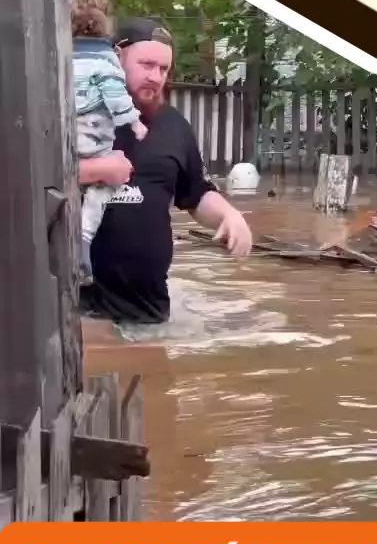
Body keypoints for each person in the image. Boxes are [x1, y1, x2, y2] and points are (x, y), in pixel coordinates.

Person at [79, 16, 253, 323]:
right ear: (116, 58)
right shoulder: (75, 116)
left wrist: (229, 215)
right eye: (146, 65)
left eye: (163, 69)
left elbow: (195, 194)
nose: (155, 77)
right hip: (80, 314)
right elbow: (29, 180)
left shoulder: (174, 126)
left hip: (149, 312)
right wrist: (96, 169)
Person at [71, 0, 148, 283]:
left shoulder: (59, 57)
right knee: (108, 181)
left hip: (66, 137)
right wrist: (135, 122)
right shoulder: (105, 60)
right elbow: (115, 97)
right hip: (92, 136)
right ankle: (84, 238)